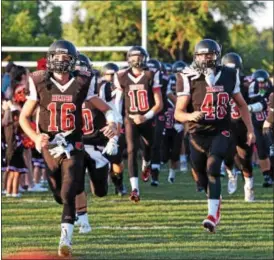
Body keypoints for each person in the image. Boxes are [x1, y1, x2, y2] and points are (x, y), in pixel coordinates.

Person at [19, 40, 117, 257]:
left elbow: (106, 108)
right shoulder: (39, 80)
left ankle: (66, 240)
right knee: (58, 194)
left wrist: (111, 122)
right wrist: (36, 136)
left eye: (66, 58)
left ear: (73, 61)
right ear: (50, 58)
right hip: (50, 145)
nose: (62, 62)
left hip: (74, 143)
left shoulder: (83, 81)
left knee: (69, 189)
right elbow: (24, 117)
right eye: (58, 58)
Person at [174, 39, 255, 233]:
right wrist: (190, 115)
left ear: (217, 55)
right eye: (201, 54)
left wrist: (250, 129)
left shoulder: (229, 74)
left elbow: (242, 105)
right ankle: (214, 200)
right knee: (201, 176)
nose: (205, 58)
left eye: (209, 54)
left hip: (221, 129)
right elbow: (178, 112)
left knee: (213, 167)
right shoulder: (187, 76)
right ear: (195, 56)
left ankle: (212, 216)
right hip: (196, 131)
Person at [114, 46, 163, 202]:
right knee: (131, 150)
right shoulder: (121, 76)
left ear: (145, 58)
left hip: (147, 118)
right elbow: (118, 101)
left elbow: (159, 104)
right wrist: (116, 118)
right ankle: (135, 188)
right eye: (133, 57)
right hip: (130, 118)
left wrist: (146, 116)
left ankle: (146, 163)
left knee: (149, 146)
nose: (136, 61)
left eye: (139, 57)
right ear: (128, 59)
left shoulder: (151, 74)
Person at [221, 52, 256, 200]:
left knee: (245, 159)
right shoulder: (218, 81)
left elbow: (258, 100)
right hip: (226, 124)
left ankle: (248, 186)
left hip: (242, 124)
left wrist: (251, 109)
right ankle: (231, 173)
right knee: (226, 153)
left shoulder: (247, 83)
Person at [247, 69, 273, 187]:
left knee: (272, 152)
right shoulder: (250, 91)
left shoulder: (271, 93)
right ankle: (267, 176)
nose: (262, 85)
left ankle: (271, 175)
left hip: (270, 126)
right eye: (259, 83)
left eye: (264, 83)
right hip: (257, 126)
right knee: (262, 152)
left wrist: (249, 108)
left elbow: (261, 105)